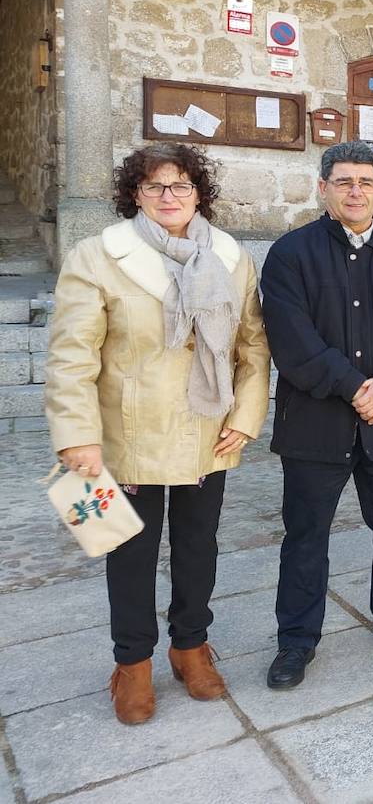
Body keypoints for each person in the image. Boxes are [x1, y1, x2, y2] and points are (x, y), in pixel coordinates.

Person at [45, 144, 270, 724]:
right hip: (125, 436)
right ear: (135, 195)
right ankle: (133, 664)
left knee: (199, 547)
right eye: (154, 187)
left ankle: (190, 647)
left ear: (199, 194)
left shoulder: (229, 256)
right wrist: (76, 436)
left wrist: (246, 417)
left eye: (181, 186)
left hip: (208, 429)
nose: (169, 198)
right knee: (129, 553)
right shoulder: (97, 257)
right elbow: (72, 356)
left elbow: (252, 345)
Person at [260, 142, 373, 689]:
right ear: (324, 189)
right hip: (315, 425)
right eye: (344, 182)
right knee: (306, 537)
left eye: (365, 181)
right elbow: (291, 341)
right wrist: (353, 385)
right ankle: (296, 640)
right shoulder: (291, 255)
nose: (355, 191)